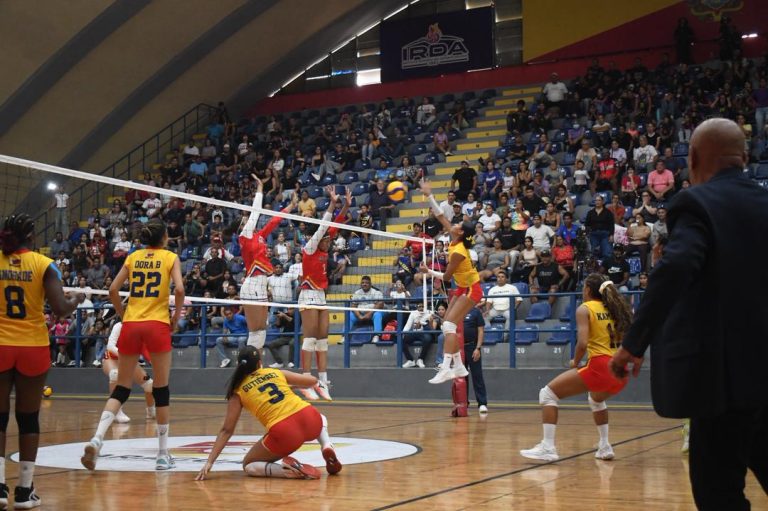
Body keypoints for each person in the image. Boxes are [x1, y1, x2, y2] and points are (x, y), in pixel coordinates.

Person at [611, 118, 768, 510]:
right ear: (744, 157)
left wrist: (634, 341)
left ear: (694, 158)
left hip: (724, 381)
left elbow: (678, 266)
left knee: (718, 493)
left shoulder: (695, 203)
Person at [81, 219, 184, 471]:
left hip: (131, 324)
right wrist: (174, 319)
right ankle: (162, 454)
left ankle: (97, 438)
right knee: (161, 389)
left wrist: (123, 314)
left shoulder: (133, 257)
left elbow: (113, 290)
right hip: (157, 324)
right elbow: (180, 290)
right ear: (164, 238)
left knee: (122, 388)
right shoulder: (170, 257)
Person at [0, 214, 78, 508]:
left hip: (1, 343)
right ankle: (24, 490)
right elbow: (60, 309)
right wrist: (76, 299)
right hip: (32, 346)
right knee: (28, 418)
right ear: (31, 236)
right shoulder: (44, 264)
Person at [520, 273, 633, 462]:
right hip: (620, 369)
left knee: (547, 394)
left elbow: (582, 343)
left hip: (601, 366)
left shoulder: (585, 308)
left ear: (587, 289)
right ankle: (604, 446)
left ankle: (548, 447)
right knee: (596, 400)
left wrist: (575, 361)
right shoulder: (615, 309)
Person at [195, 347, 341, 481]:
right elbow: (312, 381)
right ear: (259, 363)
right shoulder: (274, 372)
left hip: (285, 431)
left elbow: (227, 430)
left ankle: (288, 471)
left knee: (249, 465)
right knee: (320, 418)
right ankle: (326, 445)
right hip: (309, 417)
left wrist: (210, 462)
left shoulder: (238, 390)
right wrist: (292, 386)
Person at [418, 179, 477, 384]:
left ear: (460, 232)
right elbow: (440, 215)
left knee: (450, 325)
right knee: (446, 325)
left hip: (471, 289)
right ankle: (459, 367)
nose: (455, 223)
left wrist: (428, 271)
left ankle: (445, 367)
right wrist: (429, 195)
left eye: (459, 224)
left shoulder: (459, 252)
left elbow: (446, 277)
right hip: (462, 287)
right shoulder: (455, 236)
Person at [297, 187, 350, 401]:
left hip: (320, 295)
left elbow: (336, 224)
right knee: (309, 339)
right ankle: (305, 382)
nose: (329, 243)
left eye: (329, 240)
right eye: (326, 240)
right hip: (307, 294)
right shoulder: (310, 248)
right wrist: (332, 203)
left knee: (322, 340)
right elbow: (324, 226)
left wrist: (346, 206)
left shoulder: (325, 246)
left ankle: (322, 381)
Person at [236, 179, 297, 356]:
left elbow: (274, 221)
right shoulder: (244, 237)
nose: (247, 222)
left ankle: (256, 364)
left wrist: (291, 206)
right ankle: (249, 365)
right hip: (253, 284)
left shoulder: (260, 236)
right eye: (244, 222)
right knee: (256, 332)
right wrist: (260, 190)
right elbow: (255, 212)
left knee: (261, 331)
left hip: (261, 285)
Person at [101, 317, 156, 424]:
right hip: (112, 359)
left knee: (149, 384)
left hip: (128, 360)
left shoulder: (141, 330)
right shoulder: (119, 326)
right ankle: (116, 412)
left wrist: (152, 360)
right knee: (115, 374)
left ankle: (151, 411)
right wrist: (125, 354)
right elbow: (110, 346)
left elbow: (144, 348)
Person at [463, 305, 488, 414]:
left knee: (477, 376)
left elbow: (481, 331)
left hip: (472, 347)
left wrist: (478, 348)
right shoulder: (457, 311)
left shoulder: (475, 312)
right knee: (462, 377)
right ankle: (463, 403)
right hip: (460, 348)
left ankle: (482, 403)